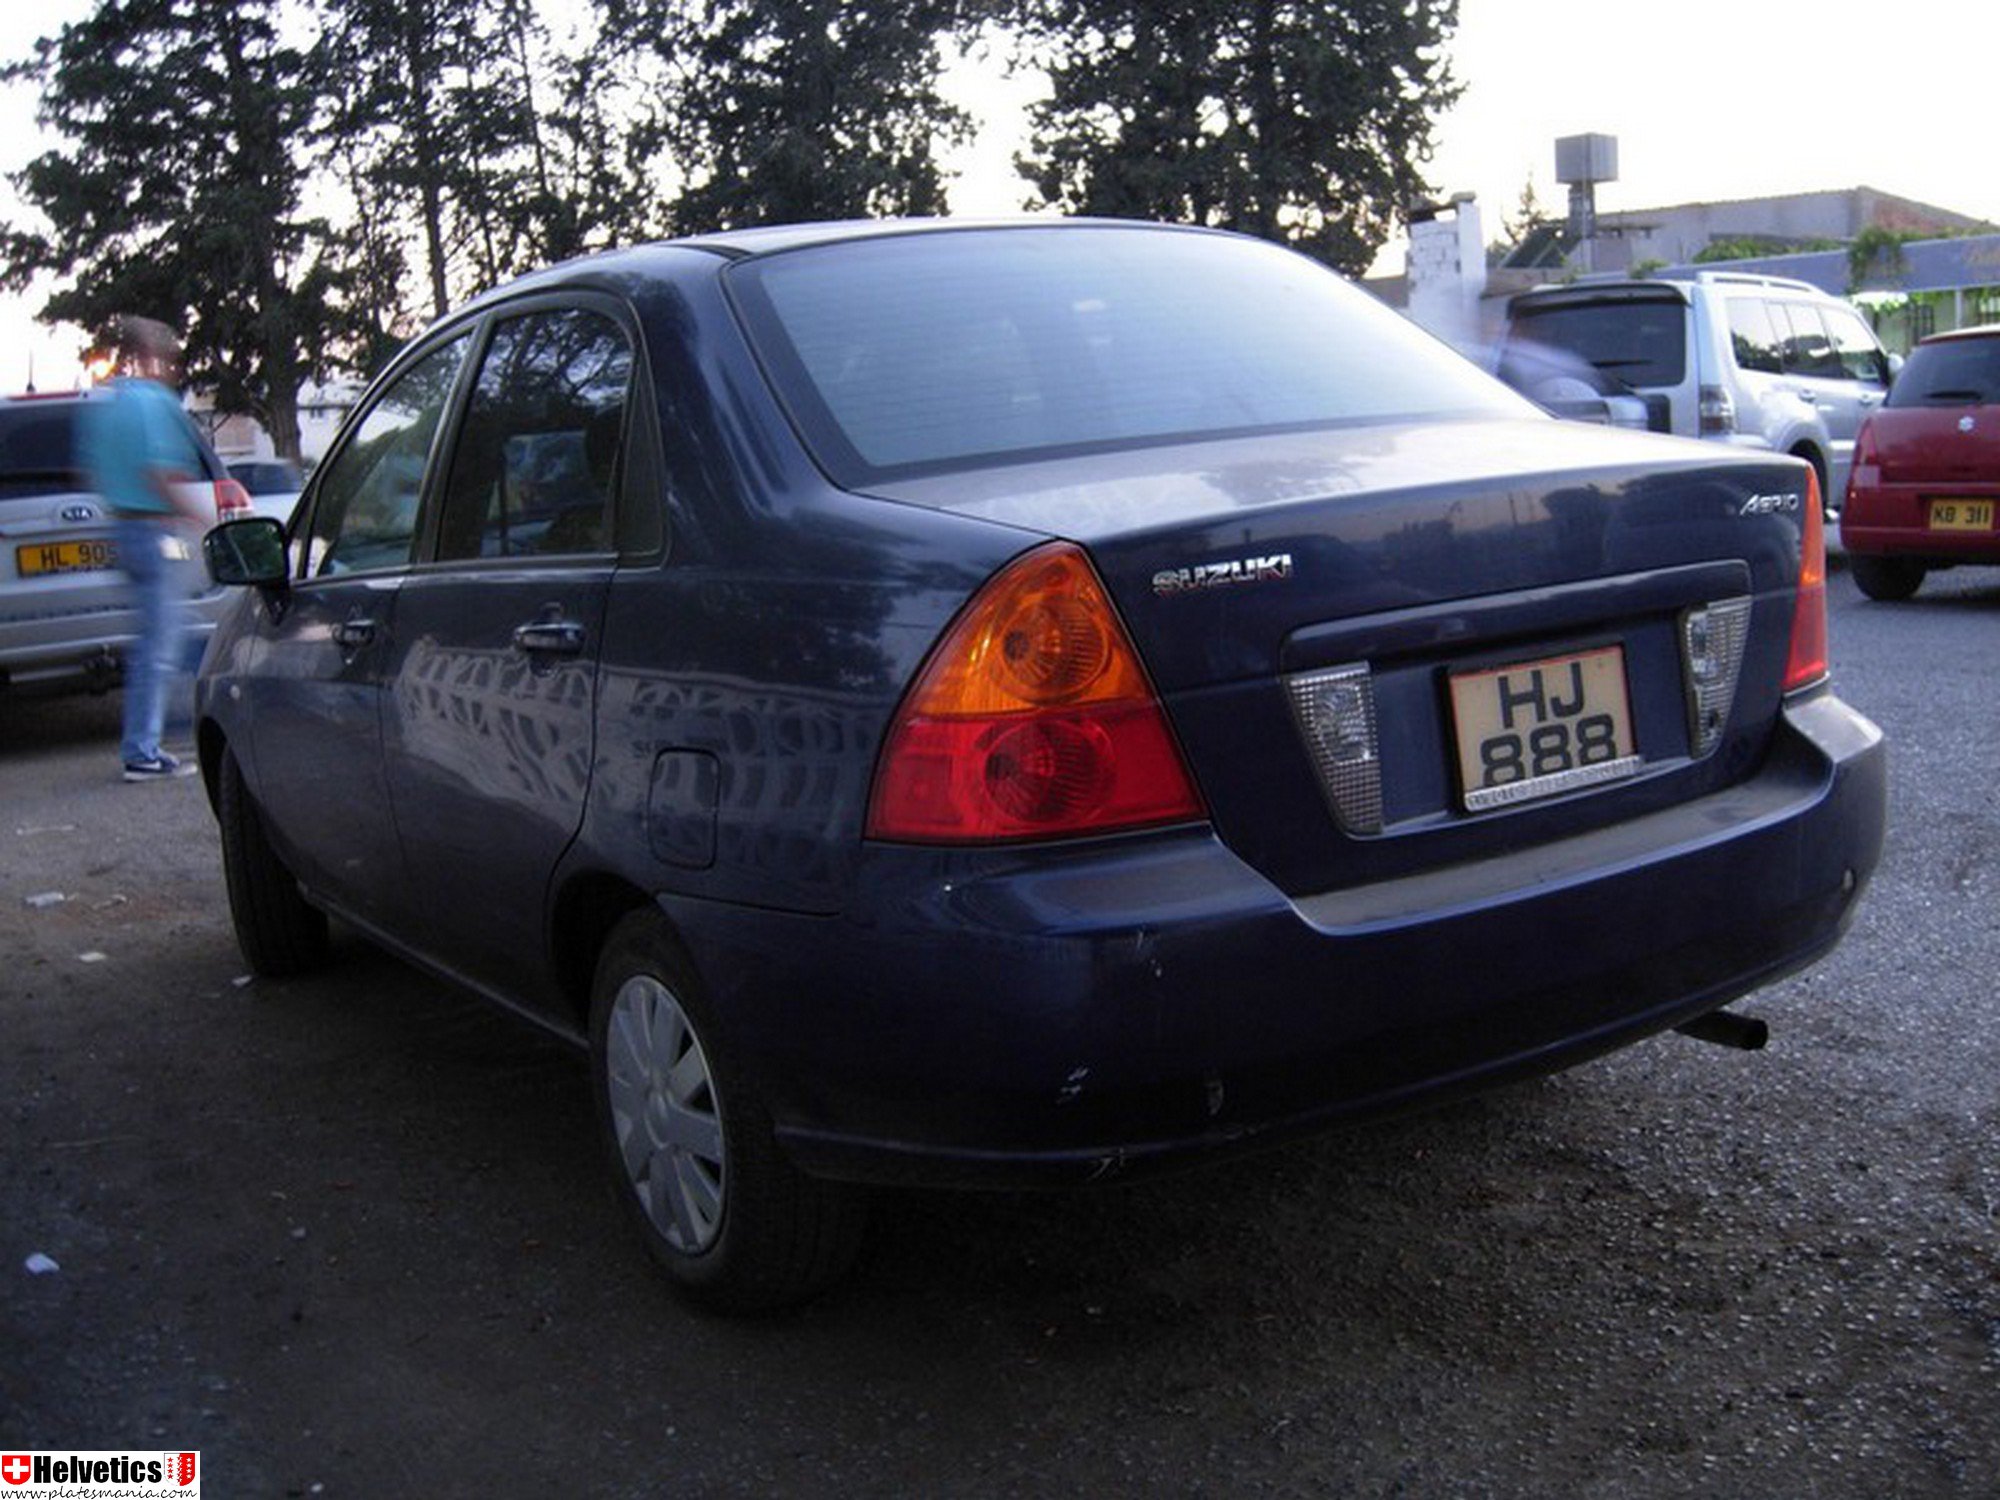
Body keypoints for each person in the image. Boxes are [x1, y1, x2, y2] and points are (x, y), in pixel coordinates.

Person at [78, 316, 205, 781]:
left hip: (123, 531)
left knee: (159, 637)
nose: (175, 364)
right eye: (171, 355)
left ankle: (150, 742)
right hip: (154, 534)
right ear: (156, 354)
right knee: (161, 643)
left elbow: (90, 471)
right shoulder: (154, 403)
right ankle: (142, 750)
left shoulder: (111, 403)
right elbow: (162, 471)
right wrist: (198, 516)